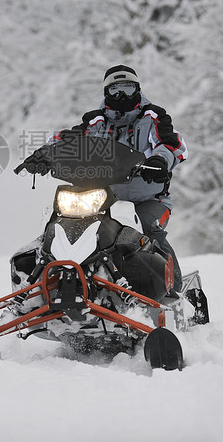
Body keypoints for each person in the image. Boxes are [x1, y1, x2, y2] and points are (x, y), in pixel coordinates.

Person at [22, 64, 188, 291]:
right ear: (105, 92)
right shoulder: (95, 121)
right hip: (104, 198)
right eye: (115, 90)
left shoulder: (153, 116)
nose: (122, 96)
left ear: (137, 89)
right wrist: (43, 155)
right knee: (59, 223)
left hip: (149, 198)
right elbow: (68, 139)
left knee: (148, 229)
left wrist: (159, 160)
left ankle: (174, 291)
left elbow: (172, 144)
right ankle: (46, 287)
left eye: (128, 89)